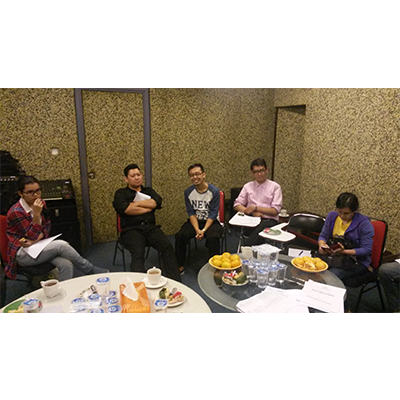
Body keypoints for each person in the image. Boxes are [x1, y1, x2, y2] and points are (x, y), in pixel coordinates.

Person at [5, 176, 108, 281]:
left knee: (66, 264)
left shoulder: (40, 203)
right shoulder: (16, 212)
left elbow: (47, 227)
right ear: (21, 194)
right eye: (30, 192)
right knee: (61, 245)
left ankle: (63, 289)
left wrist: (35, 240)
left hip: (38, 246)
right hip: (22, 254)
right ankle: (90, 269)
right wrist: (36, 214)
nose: (35, 195)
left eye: (37, 191)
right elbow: (33, 235)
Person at [113, 163, 181, 282]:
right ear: (126, 179)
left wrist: (135, 204)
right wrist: (146, 207)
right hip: (131, 230)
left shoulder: (148, 190)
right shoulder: (121, 193)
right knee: (138, 253)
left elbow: (157, 202)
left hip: (150, 228)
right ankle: (139, 285)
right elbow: (126, 209)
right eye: (133, 176)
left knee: (167, 246)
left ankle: (175, 281)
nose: (137, 178)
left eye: (138, 174)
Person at [175, 163, 223, 274]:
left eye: (197, 174)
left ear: (203, 174)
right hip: (196, 221)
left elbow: (213, 213)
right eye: (192, 175)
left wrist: (204, 230)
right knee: (180, 236)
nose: (195, 177)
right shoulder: (188, 192)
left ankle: (215, 266)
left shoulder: (214, 191)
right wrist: (197, 230)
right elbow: (191, 213)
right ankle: (179, 264)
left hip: (211, 221)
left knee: (213, 237)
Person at [318, 192, 374, 281]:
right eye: (339, 212)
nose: (342, 216)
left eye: (347, 213)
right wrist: (322, 245)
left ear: (354, 211)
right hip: (334, 257)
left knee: (329, 276)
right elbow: (323, 236)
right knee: (313, 268)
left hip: (355, 262)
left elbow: (366, 250)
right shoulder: (332, 216)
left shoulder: (364, 224)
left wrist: (344, 251)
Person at [233, 158, 282, 245]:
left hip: (268, 220)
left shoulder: (275, 187)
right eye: (256, 172)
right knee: (248, 230)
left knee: (259, 232)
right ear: (252, 173)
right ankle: (248, 248)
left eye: (261, 170)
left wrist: (256, 208)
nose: (259, 174)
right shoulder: (248, 186)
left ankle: (247, 248)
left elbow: (275, 210)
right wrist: (250, 212)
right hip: (251, 218)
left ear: (266, 170)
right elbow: (237, 205)